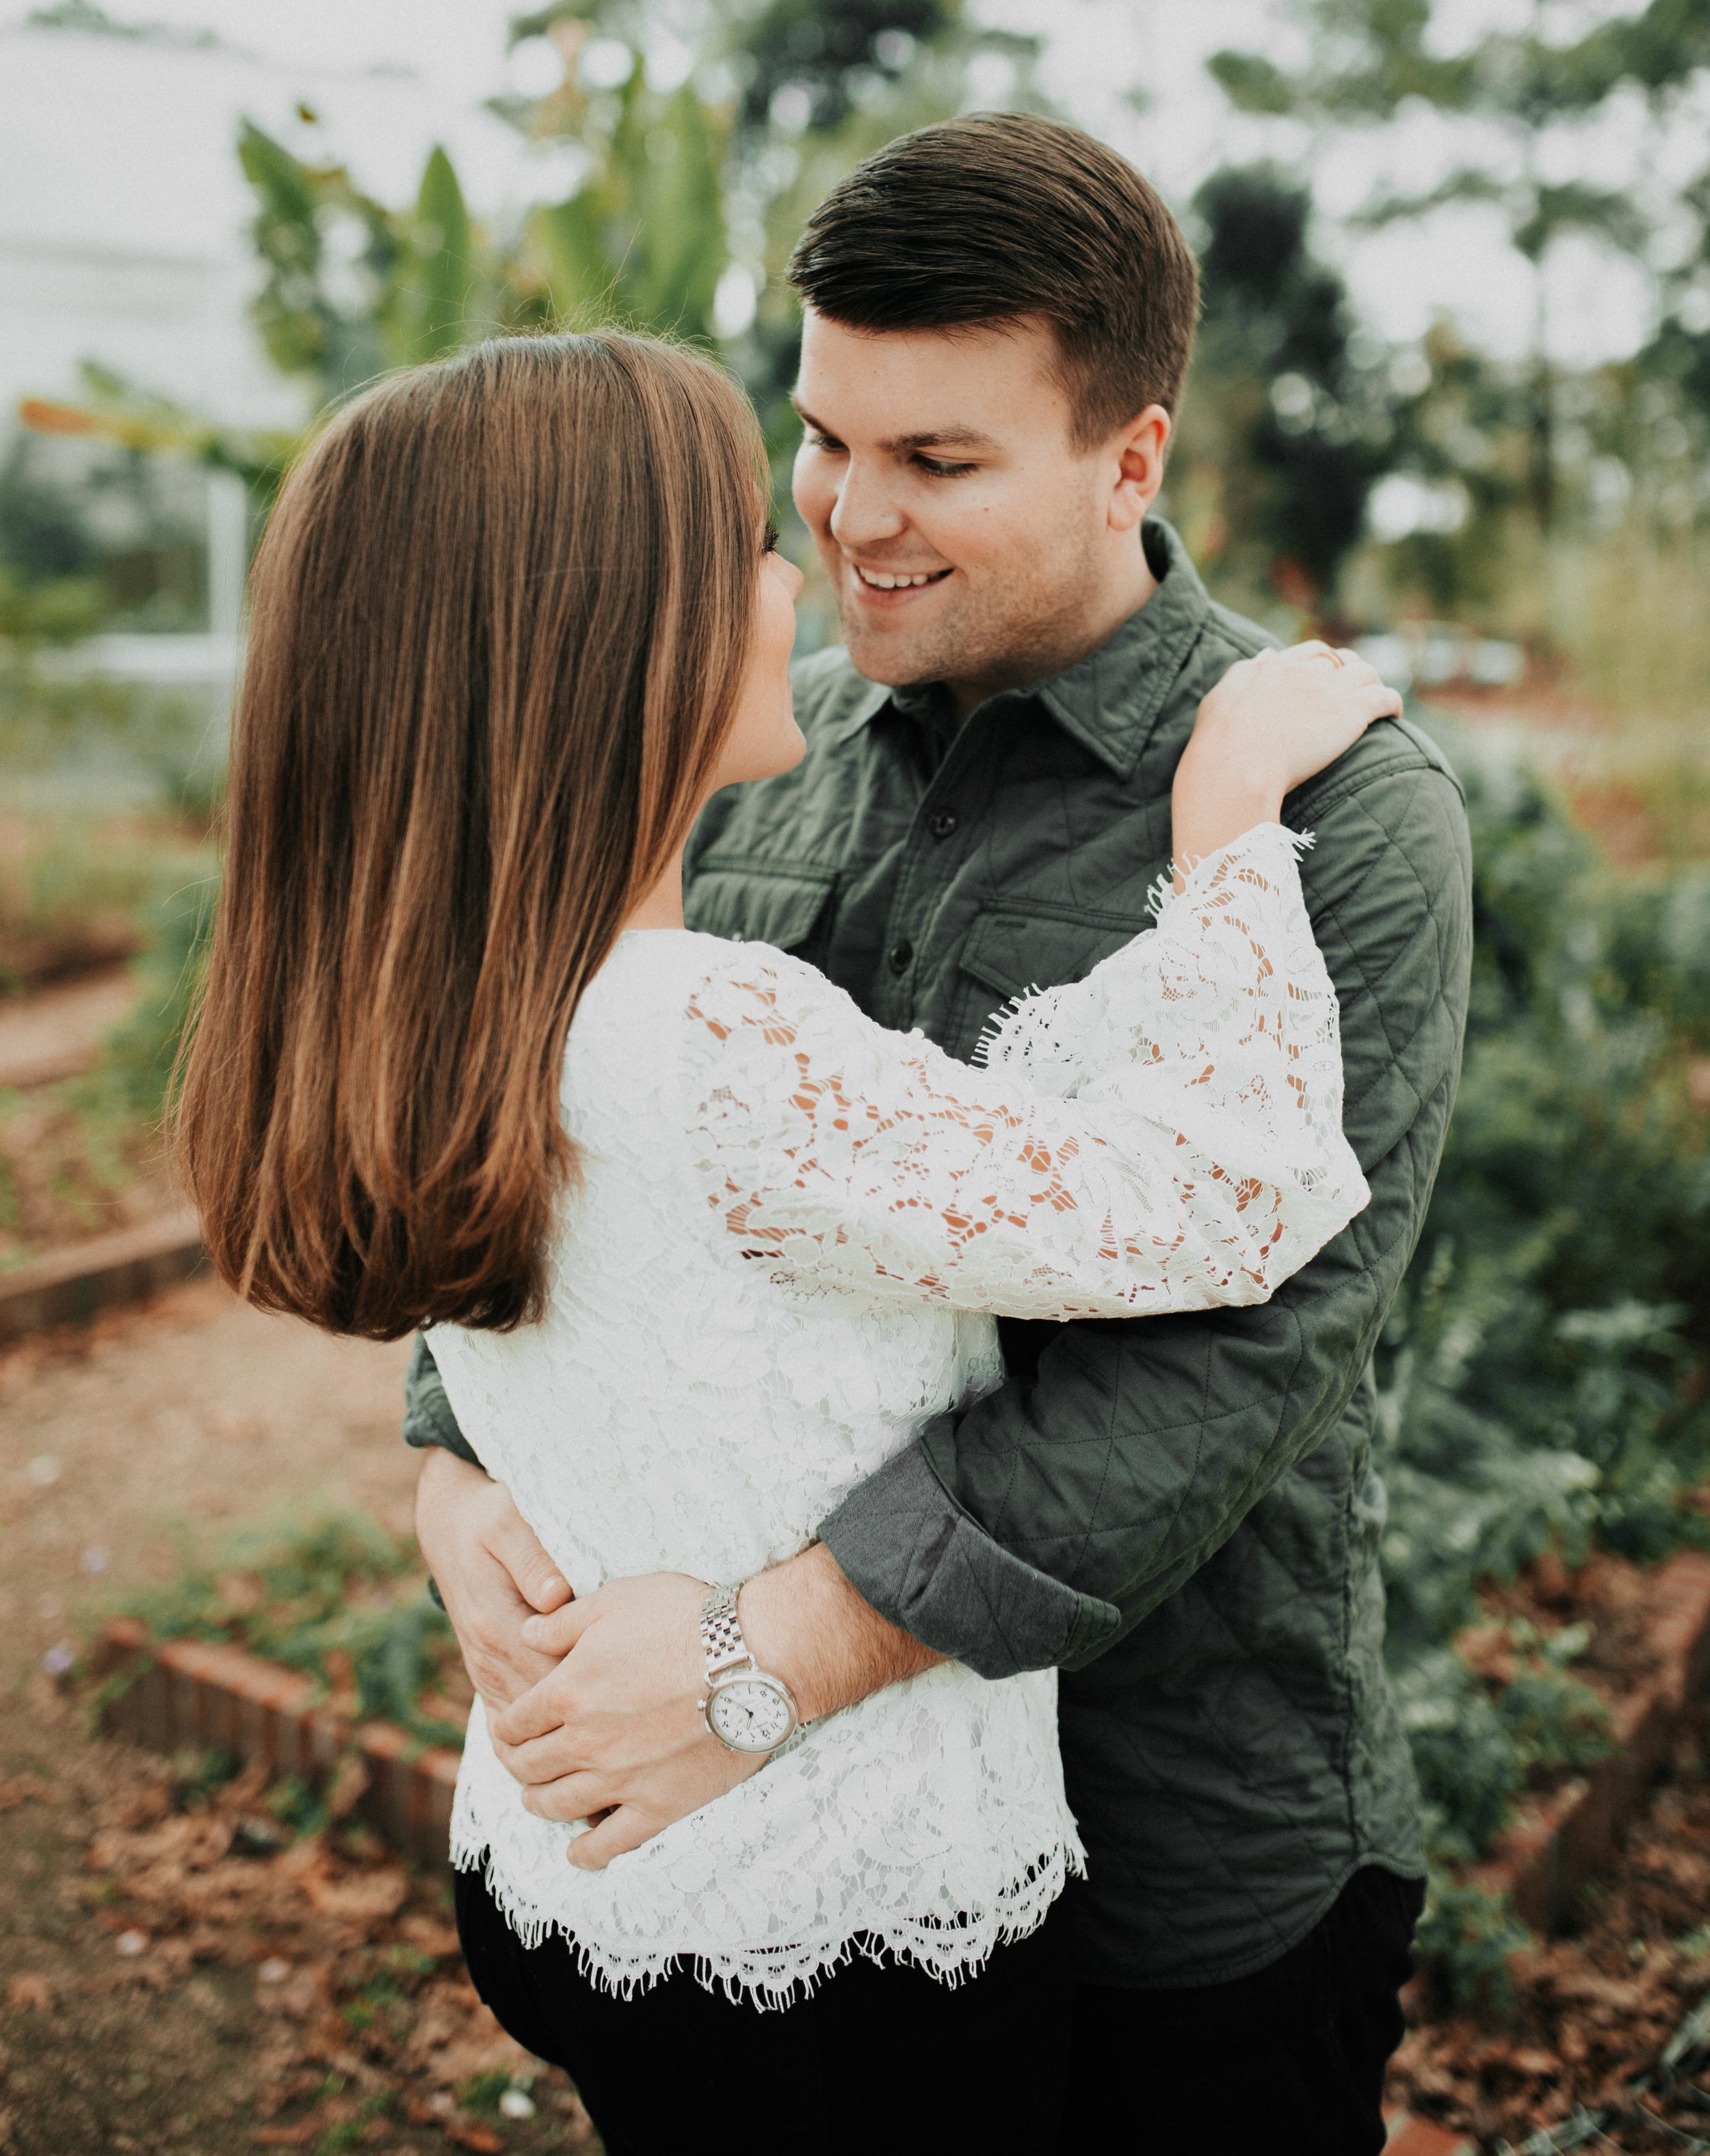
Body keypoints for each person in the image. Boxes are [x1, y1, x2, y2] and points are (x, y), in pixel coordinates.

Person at [176, 317, 1401, 2156]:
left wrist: (449, 1483)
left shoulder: (456, 997)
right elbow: (1216, 1202)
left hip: (571, 1877)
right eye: (747, 534)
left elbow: (927, 1155)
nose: (805, 558)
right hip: (836, 1964)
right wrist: (1225, 829)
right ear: (622, 648)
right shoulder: (709, 1042)